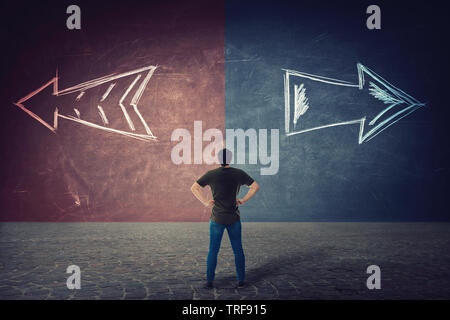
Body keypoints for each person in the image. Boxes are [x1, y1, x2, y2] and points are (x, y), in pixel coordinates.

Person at [190, 148, 260, 289]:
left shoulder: (211, 174)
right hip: (234, 218)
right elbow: (255, 187)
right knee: (238, 250)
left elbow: (194, 188)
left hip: (217, 219)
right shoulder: (238, 173)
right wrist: (243, 200)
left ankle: (209, 280)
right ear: (230, 159)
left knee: (213, 250)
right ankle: (241, 280)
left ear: (218, 160)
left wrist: (205, 202)